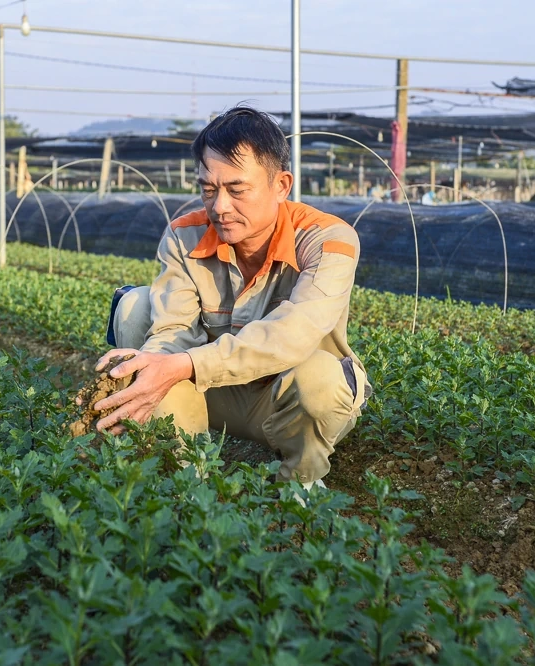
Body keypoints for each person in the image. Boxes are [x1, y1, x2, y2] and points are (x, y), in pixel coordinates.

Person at [96, 106, 371, 492]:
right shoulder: (183, 235)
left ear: (281, 185)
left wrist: (184, 364)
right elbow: (170, 333)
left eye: (237, 190)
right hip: (214, 391)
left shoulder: (329, 239)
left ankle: (301, 483)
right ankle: (190, 477)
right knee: (136, 306)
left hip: (283, 397)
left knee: (322, 379)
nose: (220, 206)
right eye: (209, 189)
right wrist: (151, 376)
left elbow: (290, 336)